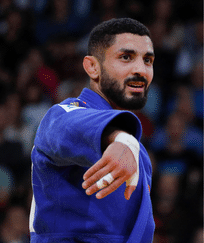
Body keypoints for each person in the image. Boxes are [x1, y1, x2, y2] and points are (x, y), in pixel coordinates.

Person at [30, 18, 155, 242]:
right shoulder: (62, 114)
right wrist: (119, 138)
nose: (140, 70)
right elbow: (68, 127)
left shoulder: (135, 147)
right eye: (126, 57)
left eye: (148, 60)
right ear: (92, 67)